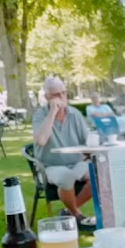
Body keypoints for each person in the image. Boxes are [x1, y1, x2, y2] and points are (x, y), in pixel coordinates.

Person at [32, 76, 96, 230]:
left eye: (64, 93)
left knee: (99, 173)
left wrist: (92, 150)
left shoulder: (74, 114)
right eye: (56, 95)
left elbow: (87, 142)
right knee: (66, 177)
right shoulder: (41, 115)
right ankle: (77, 215)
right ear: (47, 97)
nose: (61, 97)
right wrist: (52, 113)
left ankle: (68, 211)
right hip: (50, 165)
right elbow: (41, 140)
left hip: (76, 163)